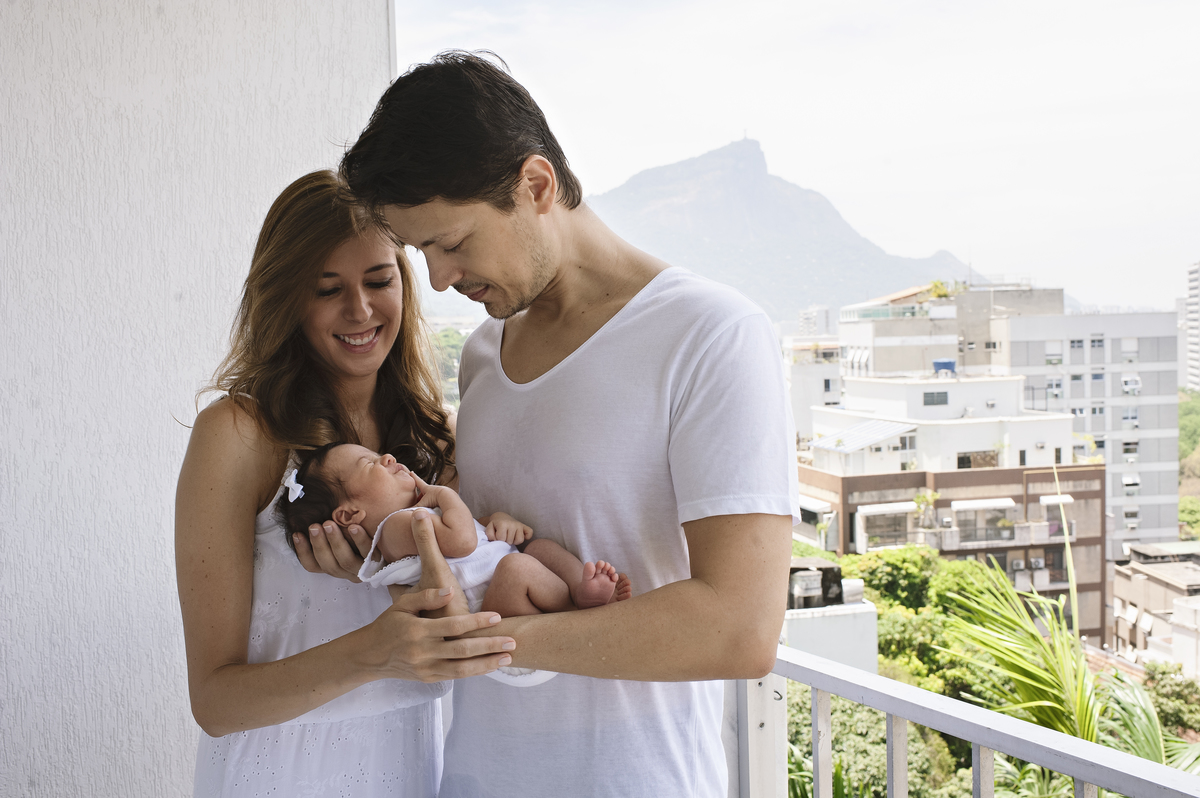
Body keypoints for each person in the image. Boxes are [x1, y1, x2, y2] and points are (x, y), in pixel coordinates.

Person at [299, 52, 801, 796]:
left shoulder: (711, 336)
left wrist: (491, 641)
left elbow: (741, 628)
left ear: (535, 186)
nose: (436, 278)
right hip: (474, 777)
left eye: (452, 242)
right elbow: (464, 554)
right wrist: (375, 557)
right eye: (421, 251)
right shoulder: (481, 353)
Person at [174, 169, 514, 798]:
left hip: (408, 769)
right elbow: (215, 703)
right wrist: (376, 650)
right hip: (274, 775)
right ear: (286, 299)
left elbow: (482, 601)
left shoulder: (436, 439)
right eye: (327, 289)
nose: (360, 311)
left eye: (379, 281)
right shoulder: (239, 435)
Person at [278, 441, 633, 616]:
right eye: (370, 463)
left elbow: (475, 534)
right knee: (517, 565)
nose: (387, 458)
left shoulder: (417, 516)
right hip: (491, 609)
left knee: (538, 551)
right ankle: (574, 608)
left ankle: (580, 590)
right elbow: (462, 542)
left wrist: (498, 523)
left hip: (506, 588)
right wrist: (444, 494)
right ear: (349, 514)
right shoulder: (394, 529)